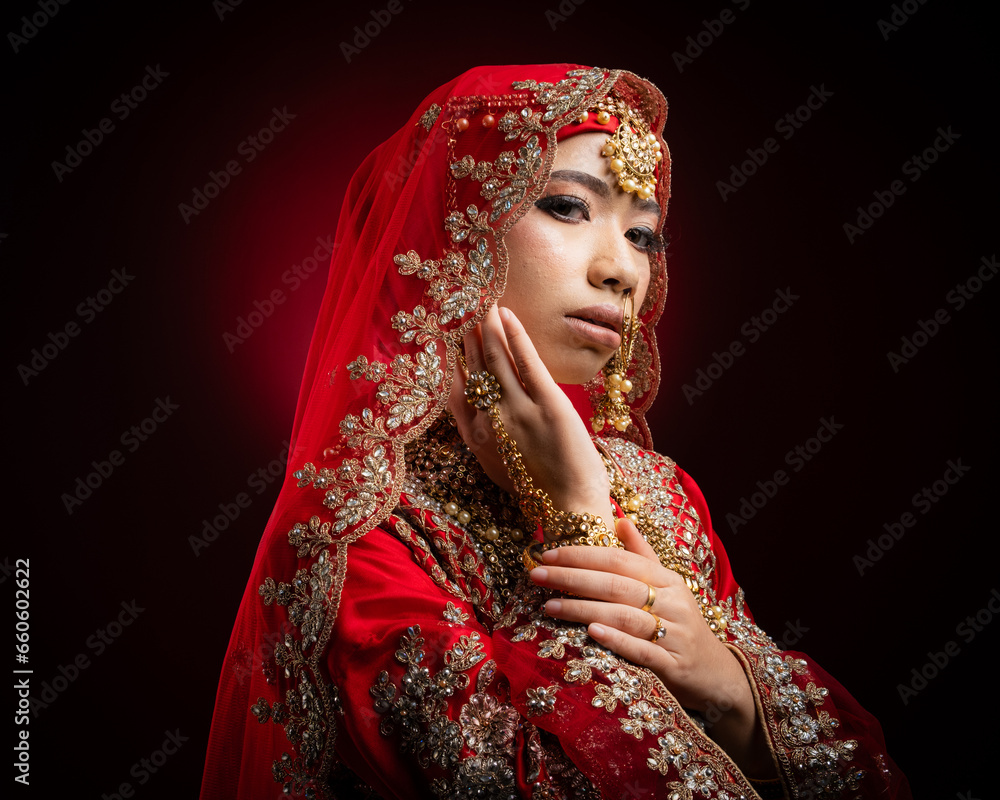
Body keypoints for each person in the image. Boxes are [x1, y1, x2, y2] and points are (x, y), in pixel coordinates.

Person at [200, 64, 911, 799]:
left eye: (644, 234)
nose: (622, 270)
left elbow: (864, 785)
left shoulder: (663, 494)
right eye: (569, 207)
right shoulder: (361, 533)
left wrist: (731, 685)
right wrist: (574, 516)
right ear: (455, 225)